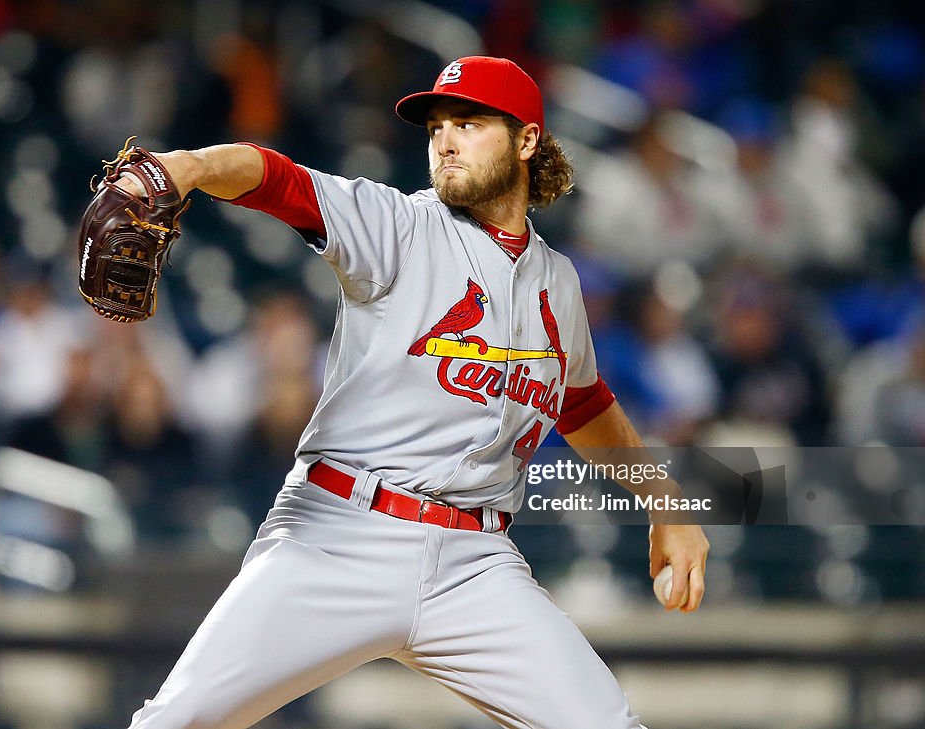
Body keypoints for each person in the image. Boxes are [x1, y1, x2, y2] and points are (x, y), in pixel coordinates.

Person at [114, 56, 709, 729]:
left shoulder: (559, 281)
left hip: (476, 564)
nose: (445, 140)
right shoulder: (397, 225)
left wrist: (668, 503)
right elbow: (278, 180)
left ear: (527, 140)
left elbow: (582, 402)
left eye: (468, 122)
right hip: (339, 532)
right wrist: (188, 167)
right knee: (175, 722)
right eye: (435, 128)